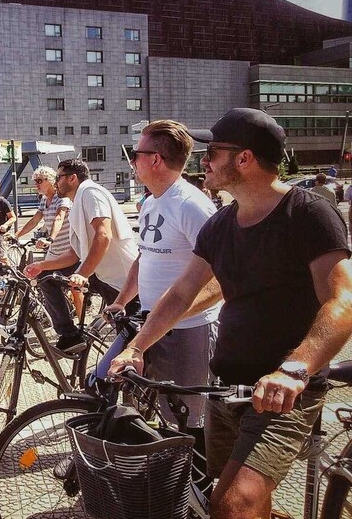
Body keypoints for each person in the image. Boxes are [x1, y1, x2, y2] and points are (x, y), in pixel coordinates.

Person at [108, 108, 352, 519]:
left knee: (233, 508)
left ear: (244, 159)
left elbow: (343, 300)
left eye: (213, 152)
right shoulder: (221, 224)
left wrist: (295, 370)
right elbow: (183, 292)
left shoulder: (306, 213)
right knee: (230, 499)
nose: (203, 161)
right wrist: (136, 346)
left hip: (281, 394)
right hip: (226, 387)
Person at [103, 120, 222, 458]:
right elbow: (145, 256)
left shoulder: (191, 205)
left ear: (155, 159)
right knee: (106, 380)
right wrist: (121, 300)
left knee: (187, 420)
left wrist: (169, 315)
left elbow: (221, 279)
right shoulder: (154, 201)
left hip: (187, 330)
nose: (132, 161)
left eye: (135, 154)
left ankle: (193, 492)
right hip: (150, 323)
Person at [24, 158, 138, 353]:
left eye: (58, 177)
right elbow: (74, 254)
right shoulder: (77, 201)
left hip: (124, 281)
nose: (56, 181)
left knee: (130, 340)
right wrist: (43, 265)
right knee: (46, 278)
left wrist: (83, 274)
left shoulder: (90, 192)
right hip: (103, 276)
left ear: (72, 178)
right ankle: (70, 336)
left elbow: (103, 235)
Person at [13, 166, 81, 317]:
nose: (36, 184)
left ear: (50, 181)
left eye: (39, 181)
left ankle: (81, 322)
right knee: (44, 279)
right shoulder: (44, 200)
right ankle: (58, 315)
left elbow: (59, 217)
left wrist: (50, 238)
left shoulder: (61, 197)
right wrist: (17, 234)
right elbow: (35, 220)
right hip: (54, 250)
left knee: (74, 288)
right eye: (35, 181)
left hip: (69, 250)